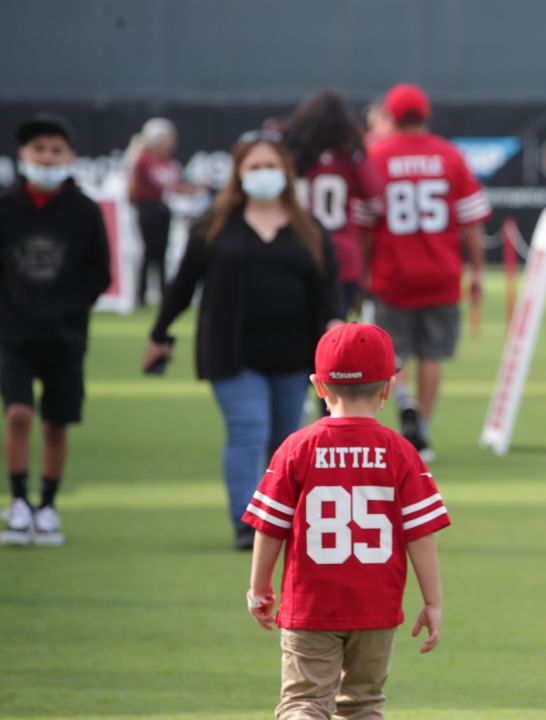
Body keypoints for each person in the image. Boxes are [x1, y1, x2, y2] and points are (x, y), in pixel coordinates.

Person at [143, 129, 343, 550]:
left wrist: (336, 329)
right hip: (232, 353)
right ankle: (245, 522)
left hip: (295, 355)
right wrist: (160, 333)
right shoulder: (213, 226)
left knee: (286, 441)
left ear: (286, 172)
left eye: (271, 166)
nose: (263, 174)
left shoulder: (310, 229)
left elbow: (329, 291)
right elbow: (182, 286)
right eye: (254, 167)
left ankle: (280, 519)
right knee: (248, 429)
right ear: (238, 173)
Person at [243, 322, 448, 719]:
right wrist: (432, 600)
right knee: (363, 705)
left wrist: (259, 588)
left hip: (310, 606)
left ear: (319, 386)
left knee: (304, 702)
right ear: (388, 387)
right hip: (376, 608)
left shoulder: (297, 448)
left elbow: (269, 526)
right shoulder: (401, 452)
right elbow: (420, 535)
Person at [0, 114, 112, 547]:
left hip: (65, 335)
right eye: (38, 150)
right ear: (23, 156)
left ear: (71, 158)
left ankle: (47, 505)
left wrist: (66, 308)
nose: (46, 158)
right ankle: (19, 501)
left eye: (55, 151)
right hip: (14, 334)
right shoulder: (7, 207)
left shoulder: (84, 210)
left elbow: (98, 273)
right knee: (18, 413)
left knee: (55, 423)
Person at [363, 83, 491, 461]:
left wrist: (365, 272)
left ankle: (405, 401)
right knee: (432, 355)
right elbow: (471, 223)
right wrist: (478, 272)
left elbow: (367, 224)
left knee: (395, 351)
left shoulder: (377, 155)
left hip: (393, 271)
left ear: (391, 115)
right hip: (441, 271)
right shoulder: (449, 155)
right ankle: (424, 429)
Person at [283, 90, 373, 318]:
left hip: (295, 250)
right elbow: (376, 201)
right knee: (332, 339)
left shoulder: (288, 153)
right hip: (343, 255)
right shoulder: (350, 156)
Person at [126, 117, 196, 306]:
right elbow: (133, 187)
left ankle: (165, 295)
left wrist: (195, 189)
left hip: (164, 208)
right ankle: (140, 296)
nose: (172, 142)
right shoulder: (143, 160)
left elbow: (175, 186)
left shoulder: (169, 162)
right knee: (149, 252)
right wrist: (140, 205)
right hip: (147, 208)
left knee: (162, 253)